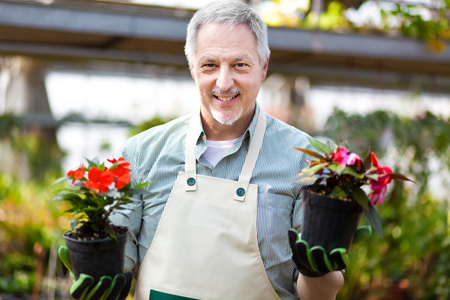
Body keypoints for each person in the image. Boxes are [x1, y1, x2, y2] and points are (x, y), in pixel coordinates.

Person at [58, 1, 353, 299]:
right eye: (210, 65)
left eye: (240, 64)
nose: (224, 83)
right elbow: (120, 265)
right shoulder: (142, 154)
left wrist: (321, 273)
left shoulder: (304, 160)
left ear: (263, 67)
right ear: (192, 68)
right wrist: (100, 278)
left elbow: (315, 295)